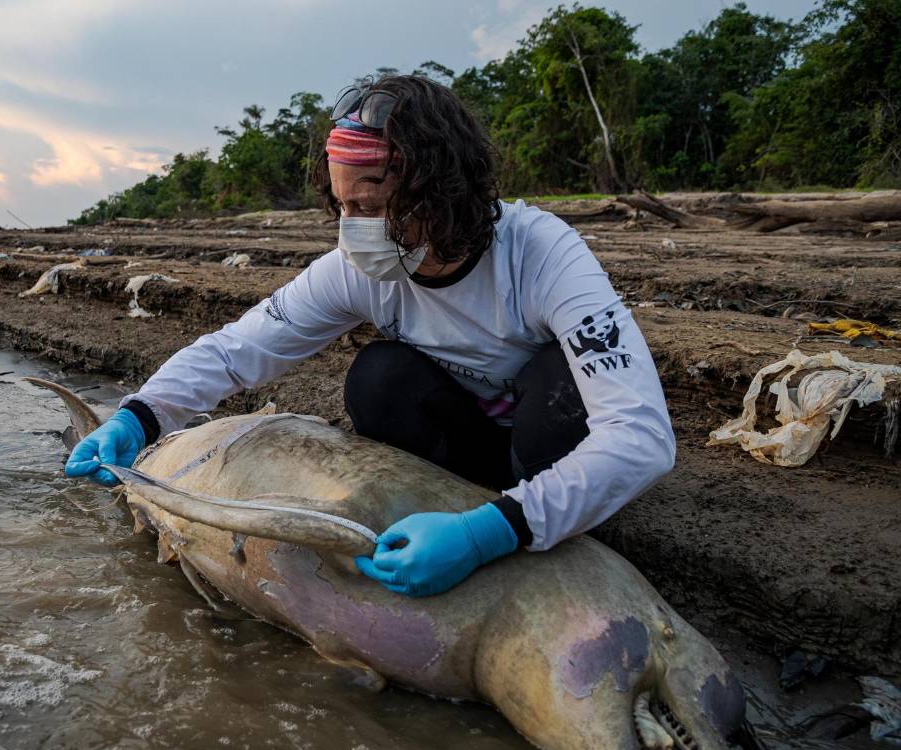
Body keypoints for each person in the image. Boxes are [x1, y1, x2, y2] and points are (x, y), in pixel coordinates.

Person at [65, 75, 675, 597]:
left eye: (374, 205)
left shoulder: (542, 255)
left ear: (443, 191)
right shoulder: (358, 270)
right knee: (379, 376)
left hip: (545, 442)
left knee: (561, 381)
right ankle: (450, 517)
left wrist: (490, 532)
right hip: (468, 446)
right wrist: (140, 417)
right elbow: (239, 349)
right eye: (343, 209)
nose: (356, 230)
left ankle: (529, 520)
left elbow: (641, 436)